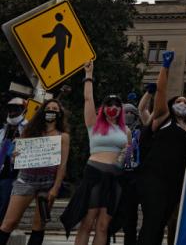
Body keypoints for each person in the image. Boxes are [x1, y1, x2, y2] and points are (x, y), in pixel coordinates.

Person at [60, 61, 130, 245]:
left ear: (121, 109)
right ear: (103, 107)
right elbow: (88, 99)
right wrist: (89, 75)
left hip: (115, 178)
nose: (113, 107)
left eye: (117, 104)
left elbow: (127, 154)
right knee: (87, 222)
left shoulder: (126, 131)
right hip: (94, 175)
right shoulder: (94, 124)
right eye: (109, 104)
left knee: (103, 226)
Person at [136, 51, 186, 245]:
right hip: (154, 178)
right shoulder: (163, 117)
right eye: (179, 101)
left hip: (175, 181)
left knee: (161, 223)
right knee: (152, 221)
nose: (183, 103)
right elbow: (161, 92)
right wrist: (165, 67)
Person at [0, 99, 70, 245]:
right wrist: (15, 156)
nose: (51, 111)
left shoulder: (63, 136)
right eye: (48, 108)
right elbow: (17, 157)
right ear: (42, 111)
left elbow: (62, 165)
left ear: (60, 114)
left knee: (39, 225)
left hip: (48, 183)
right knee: (9, 223)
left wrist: (55, 188)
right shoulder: (30, 130)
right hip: (25, 180)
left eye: (55, 109)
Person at [0, 97, 27, 221]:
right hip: (2, 170)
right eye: (10, 109)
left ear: (23, 110)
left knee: (4, 204)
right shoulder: (3, 130)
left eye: (15, 109)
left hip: (13, 175)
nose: (11, 112)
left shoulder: (27, 129)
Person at [120, 101, 143, 245]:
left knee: (130, 218)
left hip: (133, 176)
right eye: (125, 113)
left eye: (131, 113)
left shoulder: (140, 131)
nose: (128, 115)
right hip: (116, 175)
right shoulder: (114, 131)